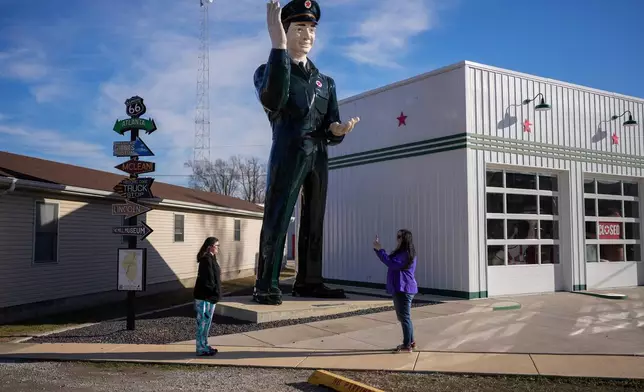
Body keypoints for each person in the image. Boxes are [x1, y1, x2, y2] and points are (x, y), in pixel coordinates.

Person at [252, 0, 361, 305]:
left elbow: (330, 124)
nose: (307, 35)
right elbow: (273, 100)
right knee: (278, 214)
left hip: (319, 154)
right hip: (289, 150)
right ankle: (266, 282)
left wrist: (336, 131)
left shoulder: (325, 82)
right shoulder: (268, 70)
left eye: (311, 28)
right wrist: (277, 47)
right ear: (285, 29)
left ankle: (310, 280)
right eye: (300, 27)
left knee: (315, 218)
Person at [373, 230, 419, 353]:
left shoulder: (405, 254)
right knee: (404, 317)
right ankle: (411, 342)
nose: (397, 239)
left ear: (405, 239)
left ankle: (407, 345)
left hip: (403, 288)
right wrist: (379, 251)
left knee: (404, 318)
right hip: (402, 288)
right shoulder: (404, 253)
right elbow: (389, 261)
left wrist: (379, 249)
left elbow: (392, 263)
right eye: (397, 236)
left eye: (399, 237)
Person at [193, 236, 222, 356]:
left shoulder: (212, 258)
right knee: (202, 323)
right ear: (210, 247)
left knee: (207, 323)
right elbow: (207, 281)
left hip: (211, 297)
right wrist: (214, 292)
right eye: (217, 246)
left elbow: (215, 278)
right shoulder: (206, 260)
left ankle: (205, 344)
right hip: (204, 297)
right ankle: (200, 348)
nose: (218, 248)